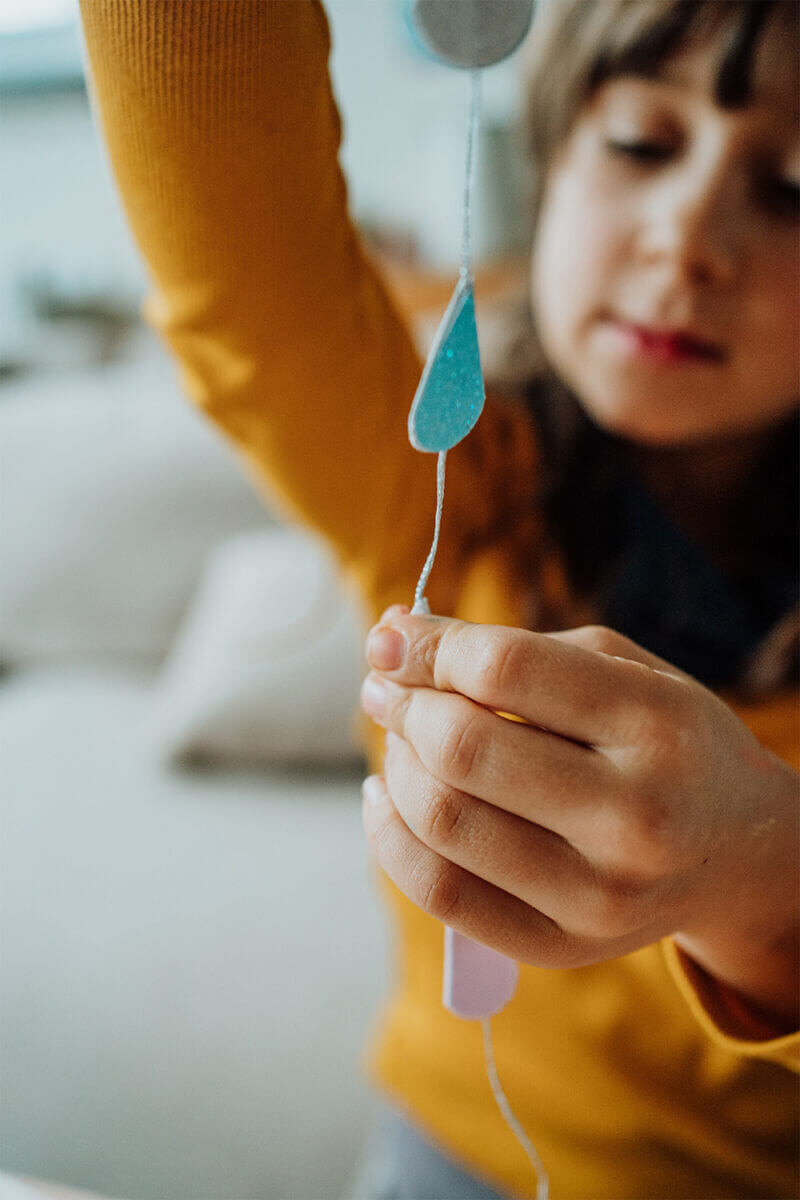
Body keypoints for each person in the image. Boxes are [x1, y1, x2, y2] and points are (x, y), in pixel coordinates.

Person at [78, 1, 799, 1196]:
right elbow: (235, 277)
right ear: (551, 163)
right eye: (638, 146)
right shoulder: (445, 485)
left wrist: (762, 877)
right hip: (440, 1152)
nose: (686, 243)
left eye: (790, 186)